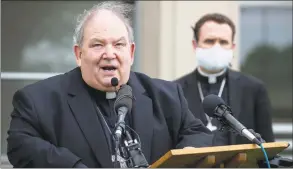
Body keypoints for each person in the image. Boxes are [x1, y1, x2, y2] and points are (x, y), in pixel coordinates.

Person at [6, 1, 213, 168]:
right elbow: (20, 146)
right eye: (98, 45)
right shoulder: (38, 100)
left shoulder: (166, 95)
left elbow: (198, 134)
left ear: (131, 53)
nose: (109, 54)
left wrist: (181, 158)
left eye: (118, 44)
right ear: (79, 54)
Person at [174, 13, 275, 146]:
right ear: (195, 45)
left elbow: (267, 146)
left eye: (223, 42)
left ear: (232, 47)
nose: (216, 47)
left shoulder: (254, 89)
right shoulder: (175, 90)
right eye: (209, 41)